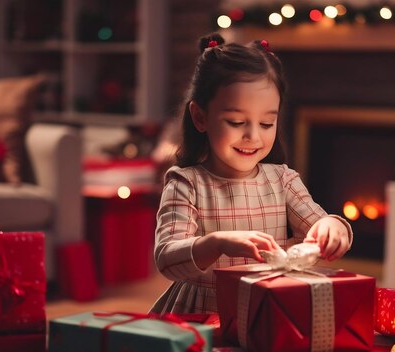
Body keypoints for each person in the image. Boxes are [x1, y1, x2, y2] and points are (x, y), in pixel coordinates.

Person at [150, 33, 353, 314]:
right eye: (236, 121)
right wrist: (216, 242)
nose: (253, 136)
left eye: (267, 123)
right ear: (200, 117)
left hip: (267, 308)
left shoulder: (282, 180)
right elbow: (167, 259)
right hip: (206, 312)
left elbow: (318, 223)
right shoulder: (187, 183)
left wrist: (334, 227)